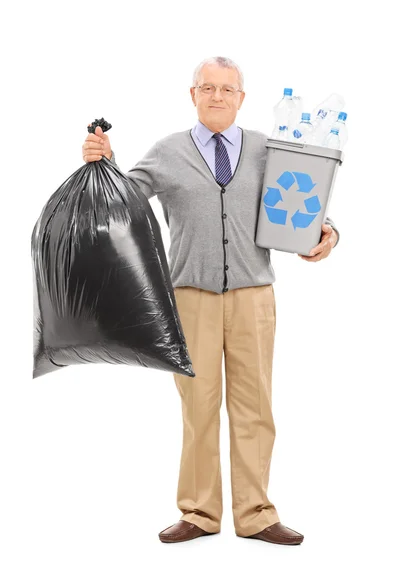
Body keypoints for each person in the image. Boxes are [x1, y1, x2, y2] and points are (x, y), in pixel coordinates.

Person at [82, 56, 339, 546]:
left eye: (227, 89)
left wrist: (329, 234)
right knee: (197, 406)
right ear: (192, 94)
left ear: (242, 97)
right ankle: (199, 512)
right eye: (208, 88)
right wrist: (105, 163)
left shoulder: (269, 148)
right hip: (190, 297)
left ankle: (257, 514)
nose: (217, 96)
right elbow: (124, 201)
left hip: (253, 297)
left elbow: (307, 201)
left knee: (255, 406)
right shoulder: (168, 151)